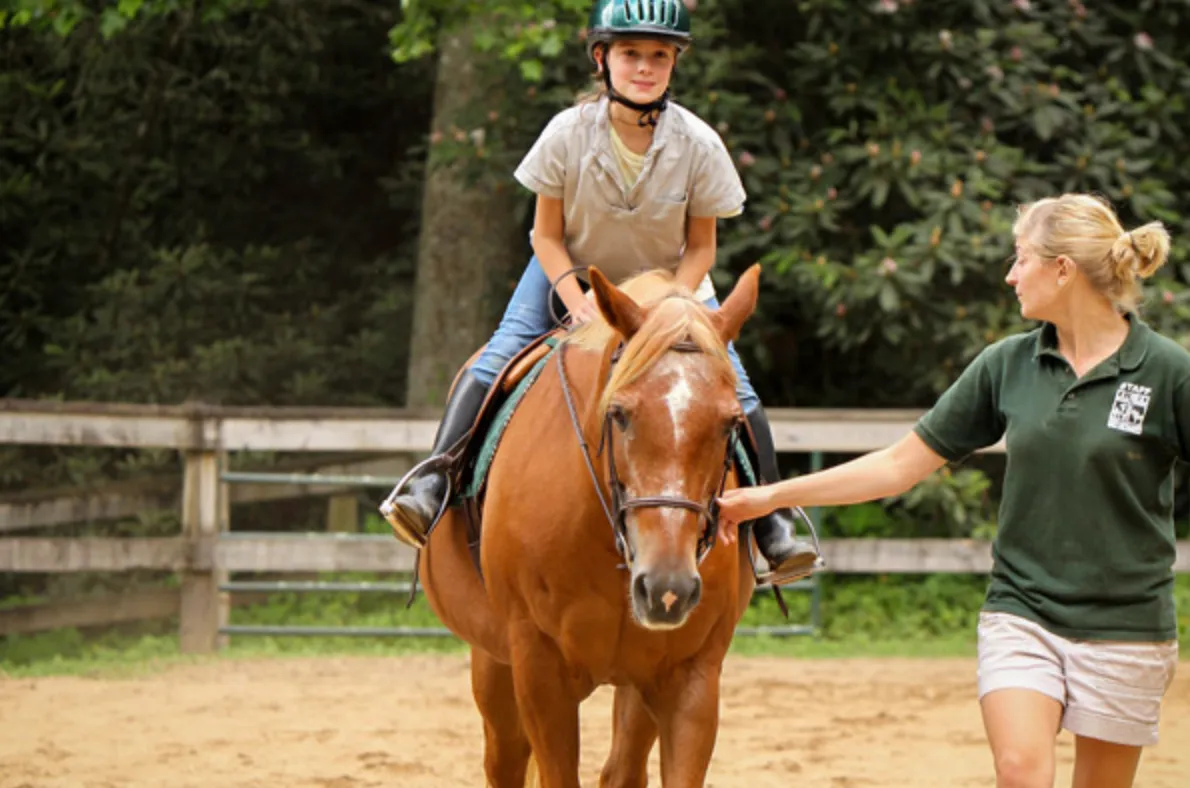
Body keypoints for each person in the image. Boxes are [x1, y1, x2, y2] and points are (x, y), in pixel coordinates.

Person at [717, 193, 1185, 787]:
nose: (1010, 275)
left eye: (1021, 258)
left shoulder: (1167, 372)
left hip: (1128, 624)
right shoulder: (1006, 365)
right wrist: (769, 497)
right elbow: (897, 465)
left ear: (1062, 270)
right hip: (1025, 610)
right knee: (1019, 772)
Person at [381, 0, 821, 584]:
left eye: (659, 56)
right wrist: (576, 296)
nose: (645, 67)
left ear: (674, 64)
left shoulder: (699, 142)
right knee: (498, 356)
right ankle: (434, 479)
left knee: (734, 385)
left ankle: (775, 521)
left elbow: (701, 249)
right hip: (573, 271)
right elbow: (544, 233)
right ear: (602, 58)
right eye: (631, 53)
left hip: (673, 286)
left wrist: (672, 308)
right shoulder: (566, 133)